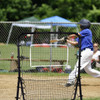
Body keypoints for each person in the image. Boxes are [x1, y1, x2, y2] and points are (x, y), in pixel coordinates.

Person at [65, 19, 100, 87]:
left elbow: (76, 35)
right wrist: (67, 40)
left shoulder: (87, 31)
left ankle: (71, 81)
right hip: (86, 52)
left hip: (87, 51)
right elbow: (76, 43)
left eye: (80, 25)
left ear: (84, 25)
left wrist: (68, 36)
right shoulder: (81, 36)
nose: (80, 26)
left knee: (77, 66)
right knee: (89, 70)